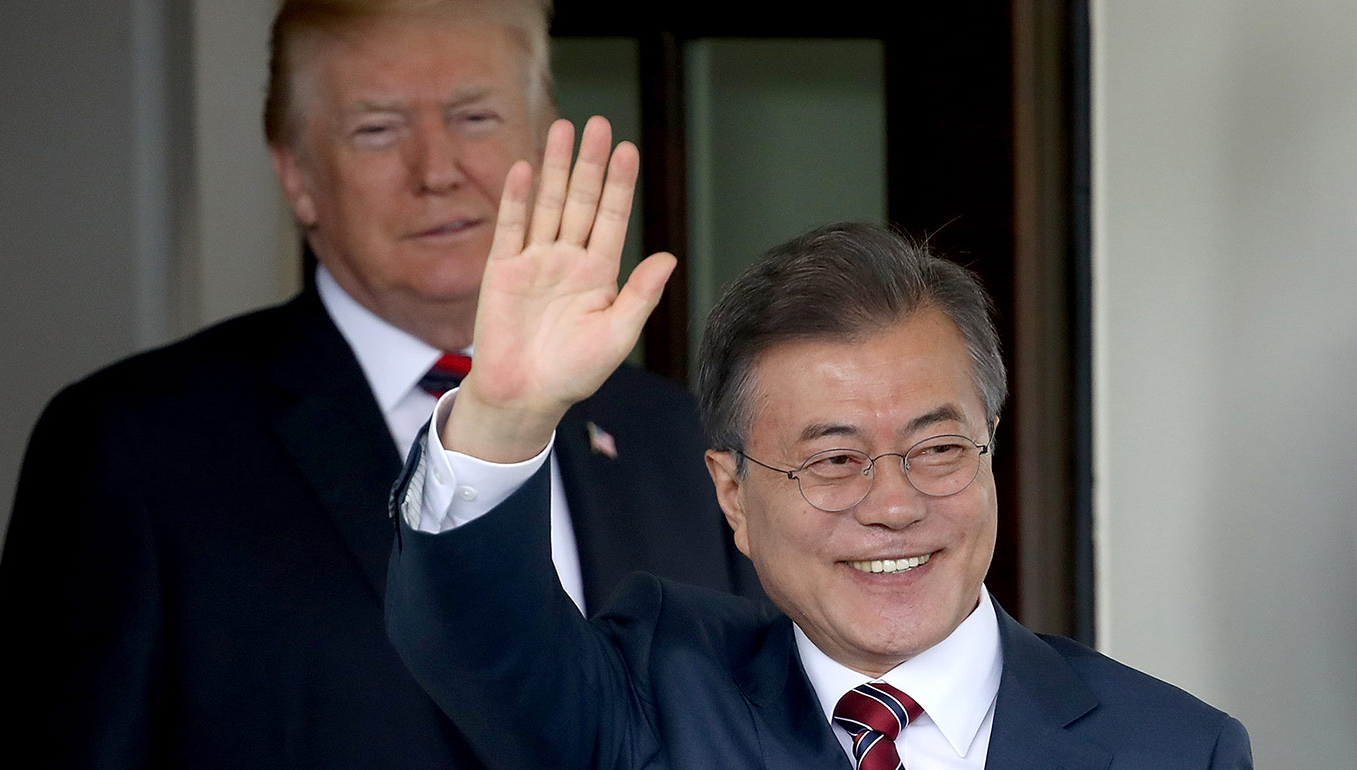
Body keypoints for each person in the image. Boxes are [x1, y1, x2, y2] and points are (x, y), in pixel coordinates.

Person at [0, 1, 753, 767]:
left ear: (543, 138)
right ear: (297, 175)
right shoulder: (135, 447)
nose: (437, 171)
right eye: (378, 129)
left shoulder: (679, 439)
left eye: (475, 118)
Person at [385, 123, 1255, 768]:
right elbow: (477, 642)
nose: (894, 506)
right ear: (732, 494)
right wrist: (504, 416)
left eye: (938, 449)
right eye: (834, 461)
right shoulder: (659, 694)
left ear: (989, 447)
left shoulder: (1175, 749)